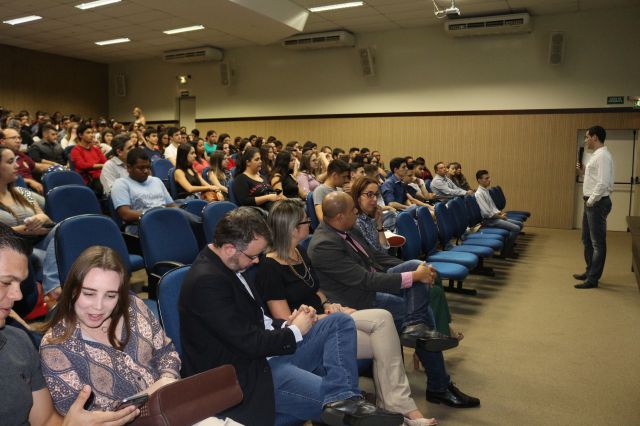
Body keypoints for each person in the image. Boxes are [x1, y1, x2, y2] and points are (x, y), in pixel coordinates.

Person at [178, 207, 402, 426]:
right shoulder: (207, 282)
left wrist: (287, 323)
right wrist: (295, 330)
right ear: (229, 248)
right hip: (248, 374)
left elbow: (257, 320)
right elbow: (249, 343)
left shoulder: (230, 264)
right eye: (253, 256)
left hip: (264, 357)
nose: (257, 261)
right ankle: (350, 405)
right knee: (350, 413)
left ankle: (344, 398)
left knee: (339, 322)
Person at [258, 199, 437, 426]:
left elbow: (316, 290)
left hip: (325, 316)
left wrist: (329, 304)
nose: (310, 222)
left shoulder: (299, 252)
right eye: (305, 220)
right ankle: (400, 409)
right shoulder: (269, 267)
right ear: (293, 228)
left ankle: (398, 407)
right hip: (307, 332)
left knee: (383, 318)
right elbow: (284, 320)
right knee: (383, 337)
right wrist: (325, 317)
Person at [308, 192, 480, 409]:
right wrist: (413, 277)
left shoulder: (348, 228)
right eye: (353, 210)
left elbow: (376, 258)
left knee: (416, 266)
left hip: (370, 285)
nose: (357, 212)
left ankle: (416, 328)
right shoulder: (324, 245)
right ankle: (439, 385)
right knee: (420, 312)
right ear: (340, 216)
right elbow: (365, 280)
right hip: (358, 299)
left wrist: (418, 269)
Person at [0, 228, 140, 426]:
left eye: (19, 284)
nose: (18, 295)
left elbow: (46, 420)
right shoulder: (50, 347)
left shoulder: (19, 343)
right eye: (6, 282)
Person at [39, 246, 180, 414]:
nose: (98, 307)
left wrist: (168, 379)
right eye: (89, 294)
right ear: (72, 290)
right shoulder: (55, 347)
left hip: (172, 404)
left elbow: (165, 351)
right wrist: (152, 393)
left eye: (111, 295)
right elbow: (77, 416)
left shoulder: (133, 305)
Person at [574, 125, 614, 289]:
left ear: (595, 137)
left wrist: (591, 201)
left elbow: (603, 183)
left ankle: (593, 279)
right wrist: (584, 172)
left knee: (597, 243)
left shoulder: (603, 156)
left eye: (587, 137)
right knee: (587, 239)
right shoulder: (596, 155)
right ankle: (590, 270)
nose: (586, 140)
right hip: (591, 202)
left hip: (596, 203)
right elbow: (595, 178)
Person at [475, 170, 522, 258]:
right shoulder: (479, 194)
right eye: (486, 178)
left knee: (519, 224)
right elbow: (486, 213)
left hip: (495, 218)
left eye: (489, 178)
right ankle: (505, 252)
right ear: (479, 180)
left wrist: (500, 213)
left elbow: (492, 207)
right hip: (489, 221)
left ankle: (508, 246)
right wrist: (500, 217)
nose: (489, 180)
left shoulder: (486, 190)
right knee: (516, 228)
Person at [233, 147, 285, 212]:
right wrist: (268, 197)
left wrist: (276, 195)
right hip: (256, 212)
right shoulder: (241, 179)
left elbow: (268, 192)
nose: (260, 161)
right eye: (257, 159)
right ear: (248, 162)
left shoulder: (262, 177)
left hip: (272, 207)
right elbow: (245, 201)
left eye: (260, 159)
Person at [70, 123, 106, 191]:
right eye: (88, 133)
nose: (92, 135)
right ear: (80, 135)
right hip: (88, 180)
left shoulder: (96, 149)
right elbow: (82, 166)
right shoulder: (75, 150)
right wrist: (101, 165)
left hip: (101, 176)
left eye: (92, 132)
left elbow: (105, 162)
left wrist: (104, 165)